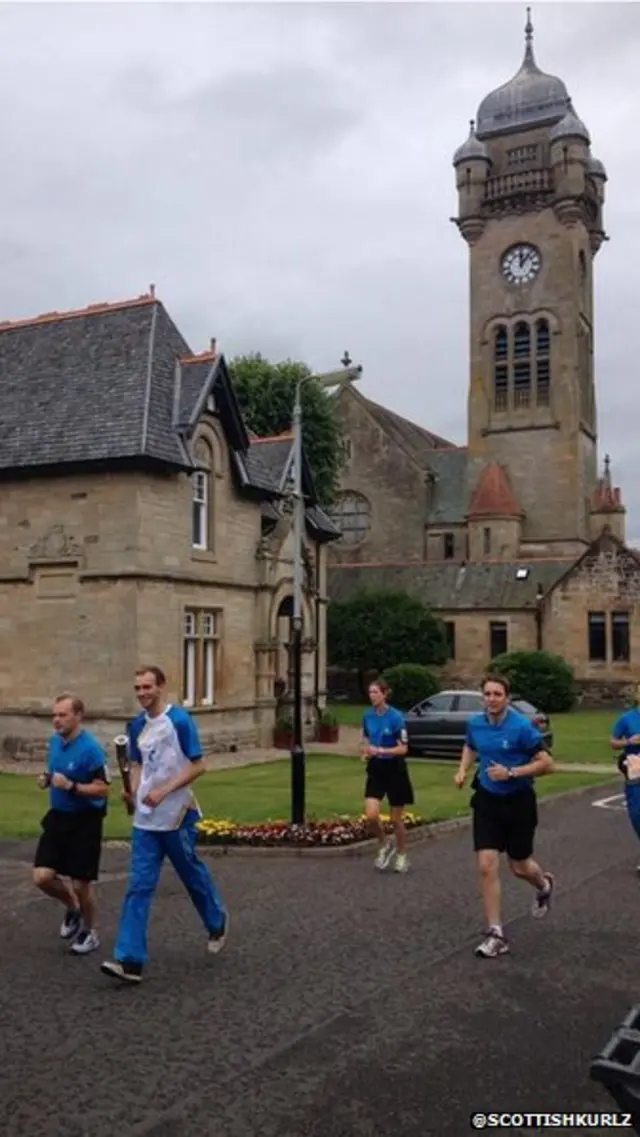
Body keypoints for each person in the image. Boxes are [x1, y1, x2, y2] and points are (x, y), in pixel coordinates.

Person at [101, 665, 228, 985]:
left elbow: (199, 765)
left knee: (191, 874)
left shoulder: (180, 721)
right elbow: (136, 764)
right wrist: (134, 791)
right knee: (138, 887)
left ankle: (216, 919)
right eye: (138, 688)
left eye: (147, 687)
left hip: (177, 815)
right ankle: (130, 960)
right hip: (146, 821)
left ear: (161, 687)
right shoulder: (137, 726)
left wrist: (164, 790)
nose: (142, 693)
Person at [454, 673, 556, 958]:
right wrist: (463, 769)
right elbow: (471, 745)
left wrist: (511, 772)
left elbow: (547, 764)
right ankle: (495, 932)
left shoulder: (522, 727)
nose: (491, 699)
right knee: (487, 865)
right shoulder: (476, 723)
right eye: (487, 694)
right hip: (487, 800)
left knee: (519, 866)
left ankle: (544, 884)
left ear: (507, 698)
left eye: (497, 694)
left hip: (519, 801)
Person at [33, 693, 110, 955]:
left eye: (62, 715)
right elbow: (54, 772)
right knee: (42, 877)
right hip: (58, 817)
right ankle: (72, 907)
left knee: (81, 884)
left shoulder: (92, 749)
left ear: (79, 716)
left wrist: (72, 786)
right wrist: (46, 779)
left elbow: (103, 789)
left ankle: (90, 932)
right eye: (54, 715)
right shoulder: (55, 743)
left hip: (85, 821)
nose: (56, 720)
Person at [361, 678, 414, 873]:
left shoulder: (396, 718)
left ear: (384, 694)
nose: (372, 696)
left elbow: (403, 748)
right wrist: (366, 751)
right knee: (371, 815)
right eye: (370, 693)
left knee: (395, 819)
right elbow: (366, 740)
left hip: (395, 770)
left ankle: (401, 855)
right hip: (376, 769)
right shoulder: (367, 716)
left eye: (375, 692)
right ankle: (384, 843)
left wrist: (381, 751)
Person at [610, 686, 640, 874]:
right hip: (635, 769)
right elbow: (613, 742)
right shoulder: (626, 718)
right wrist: (629, 742)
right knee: (636, 814)